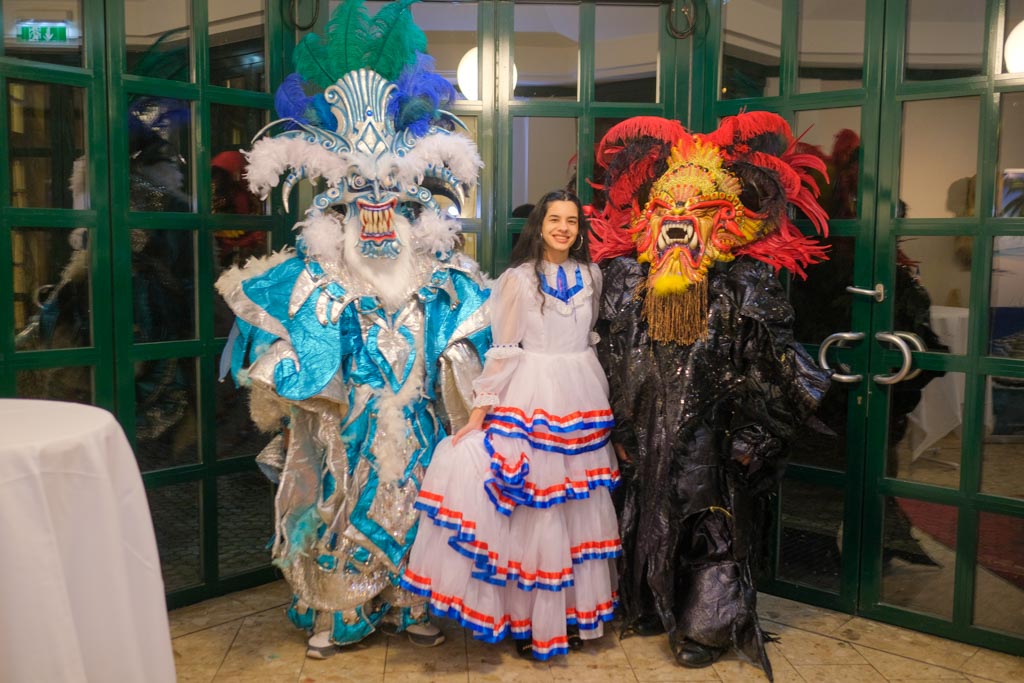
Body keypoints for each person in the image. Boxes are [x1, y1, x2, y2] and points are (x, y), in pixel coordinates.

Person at [217, 0, 491, 659]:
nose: (375, 213)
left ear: (409, 202)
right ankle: (341, 611)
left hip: (418, 417)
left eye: (387, 200)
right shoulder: (316, 274)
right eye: (359, 200)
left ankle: (409, 604)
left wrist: (457, 360)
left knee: (417, 504)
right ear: (337, 207)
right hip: (349, 422)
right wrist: (303, 376)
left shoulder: (441, 273)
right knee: (343, 503)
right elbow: (285, 337)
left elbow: (474, 327)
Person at [587, 113, 832, 681]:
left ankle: (705, 625)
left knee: (709, 522)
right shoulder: (625, 282)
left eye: (695, 211)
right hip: (643, 427)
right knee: (645, 512)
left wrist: (754, 436)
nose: (678, 222)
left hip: (712, 433)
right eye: (667, 210)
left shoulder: (745, 286)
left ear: (725, 223)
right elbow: (606, 358)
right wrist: (617, 426)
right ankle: (651, 603)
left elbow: (777, 368)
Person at [402, 190, 621, 660]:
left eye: (571, 221)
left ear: (579, 229)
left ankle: (568, 616)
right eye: (555, 219)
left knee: (577, 508)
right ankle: (529, 622)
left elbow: (589, 338)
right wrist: (477, 416)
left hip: (582, 395)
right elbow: (503, 351)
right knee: (536, 510)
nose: (563, 228)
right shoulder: (517, 280)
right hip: (532, 396)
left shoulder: (593, 275)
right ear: (539, 225)